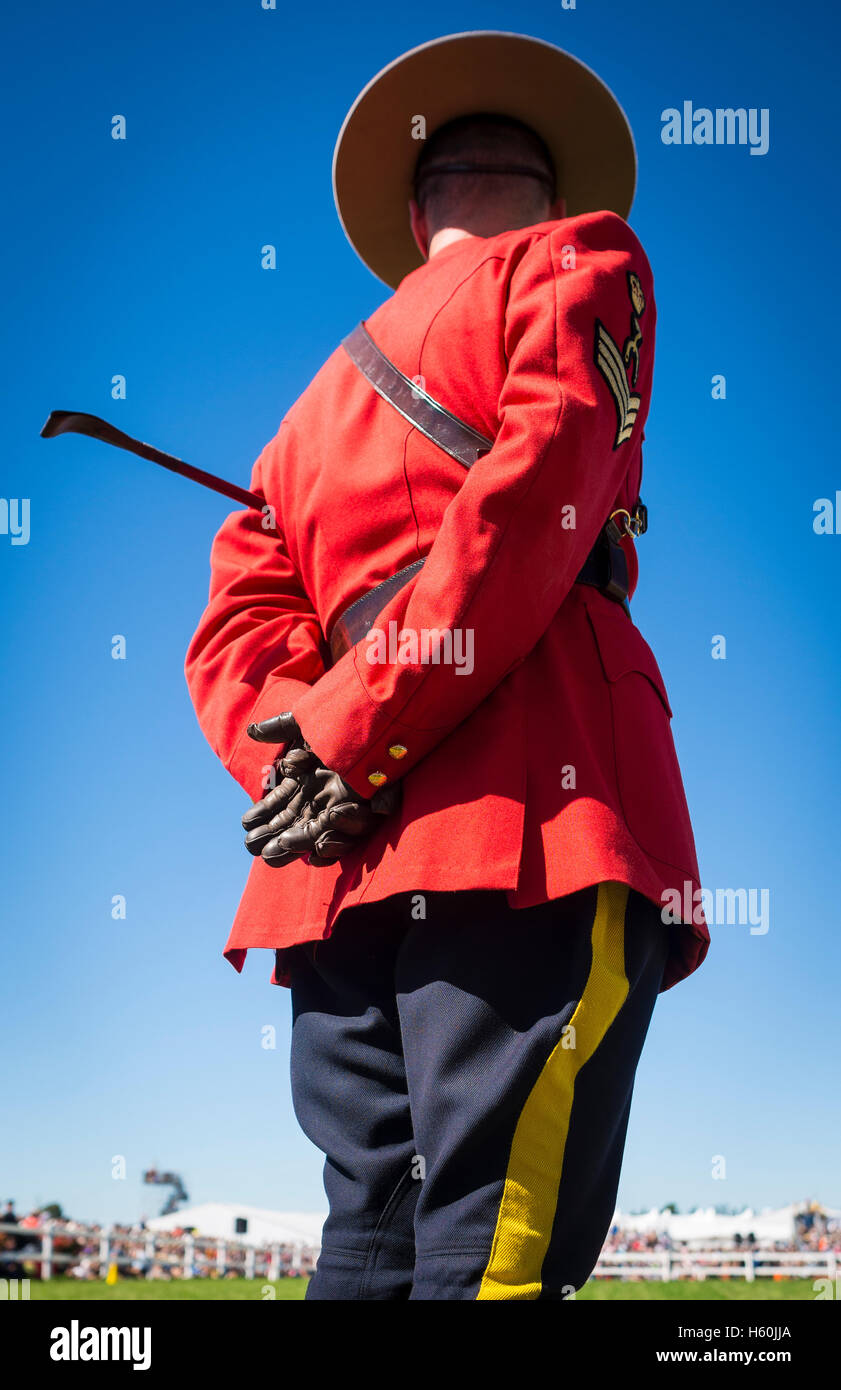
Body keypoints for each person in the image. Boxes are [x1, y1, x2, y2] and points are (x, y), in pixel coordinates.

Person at [185, 31, 709, 1300]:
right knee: (496, 1248)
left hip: (340, 866)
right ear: (549, 195)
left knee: (369, 1237)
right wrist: (363, 731)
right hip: (531, 817)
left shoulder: (297, 423)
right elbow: (532, 502)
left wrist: (324, 745)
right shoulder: (581, 259)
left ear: (418, 217)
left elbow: (235, 644)